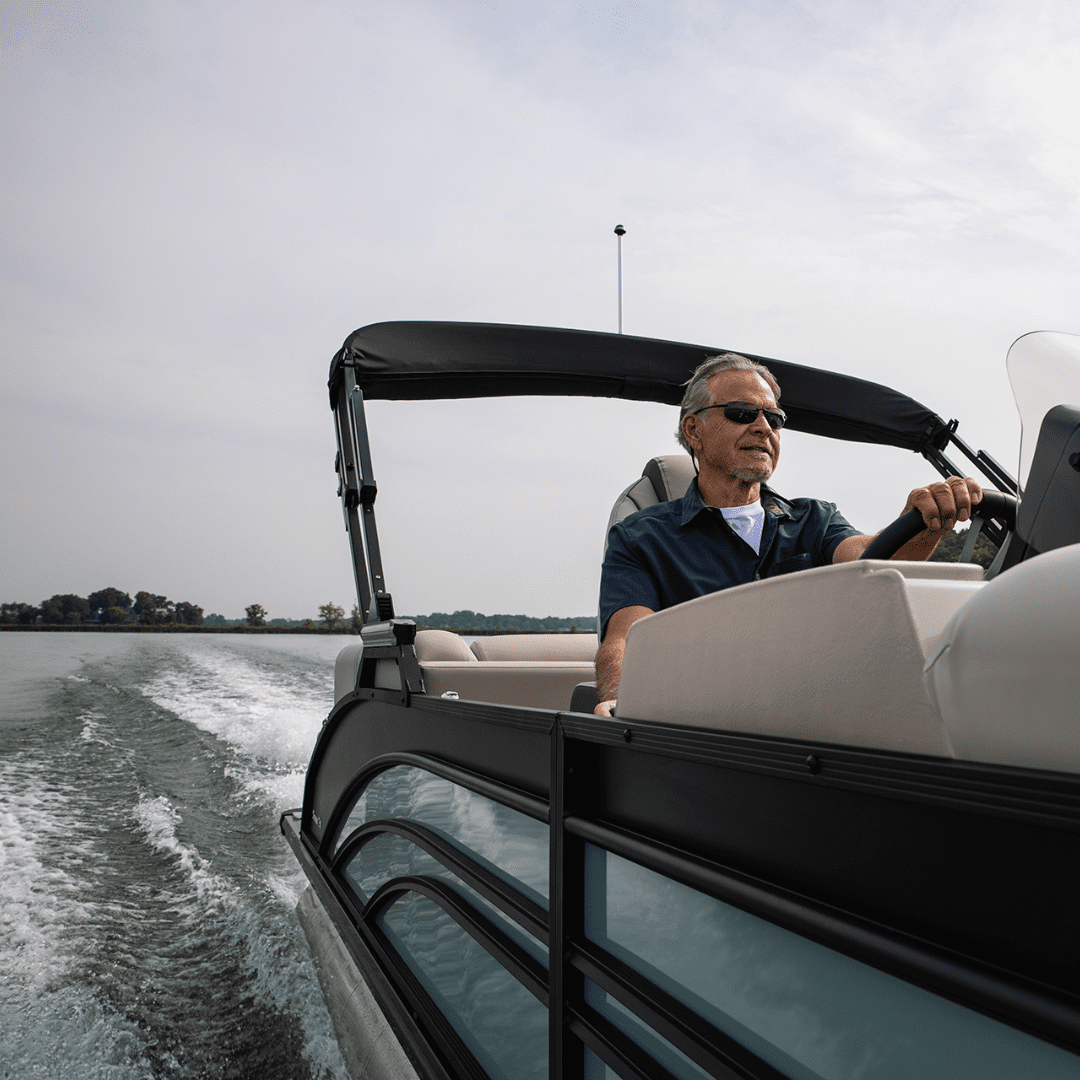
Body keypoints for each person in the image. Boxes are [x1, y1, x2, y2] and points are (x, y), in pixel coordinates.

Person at [594, 353, 982, 717]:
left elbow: (874, 562)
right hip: (700, 729)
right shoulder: (641, 537)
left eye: (774, 419)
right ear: (694, 430)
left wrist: (923, 518)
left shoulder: (814, 519)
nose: (763, 427)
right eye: (742, 413)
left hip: (812, 723)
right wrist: (619, 700)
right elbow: (627, 641)